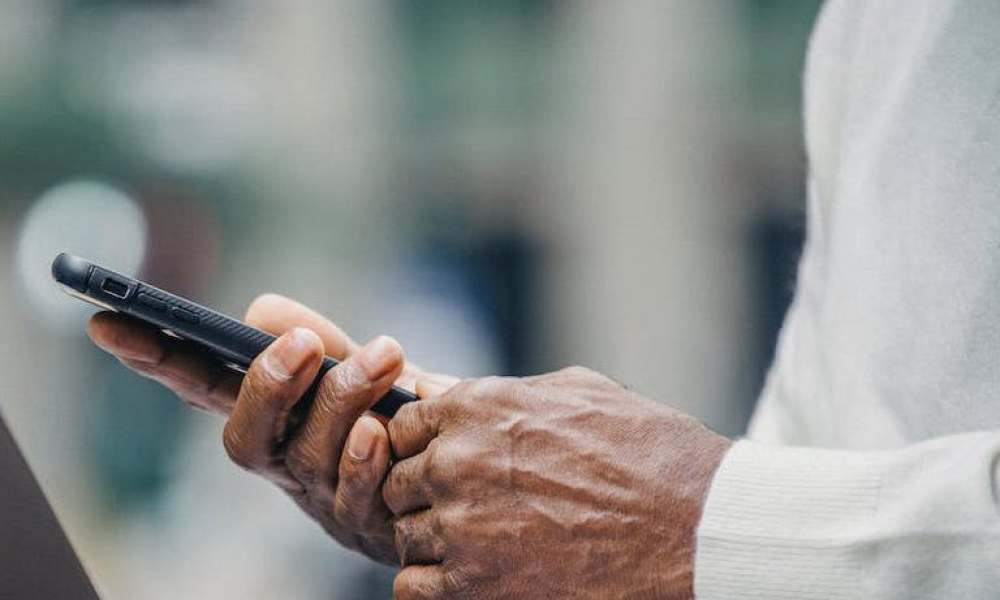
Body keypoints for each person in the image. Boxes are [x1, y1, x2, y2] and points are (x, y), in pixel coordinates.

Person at [87, 0, 1000, 598]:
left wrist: (698, 523)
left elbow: (737, 525)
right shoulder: (869, 26)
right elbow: (825, 450)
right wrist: (454, 489)